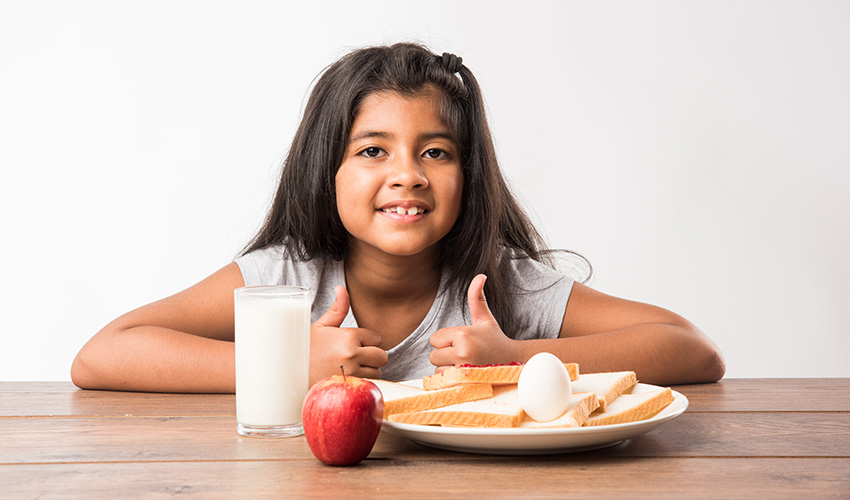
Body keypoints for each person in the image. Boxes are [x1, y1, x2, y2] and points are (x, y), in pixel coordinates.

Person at [71, 43, 725, 393]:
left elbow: (693, 350)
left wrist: (517, 359)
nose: (407, 173)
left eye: (435, 152)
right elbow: (102, 356)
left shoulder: (498, 283)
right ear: (325, 169)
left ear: (469, 174)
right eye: (372, 151)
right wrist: (284, 362)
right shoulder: (286, 277)